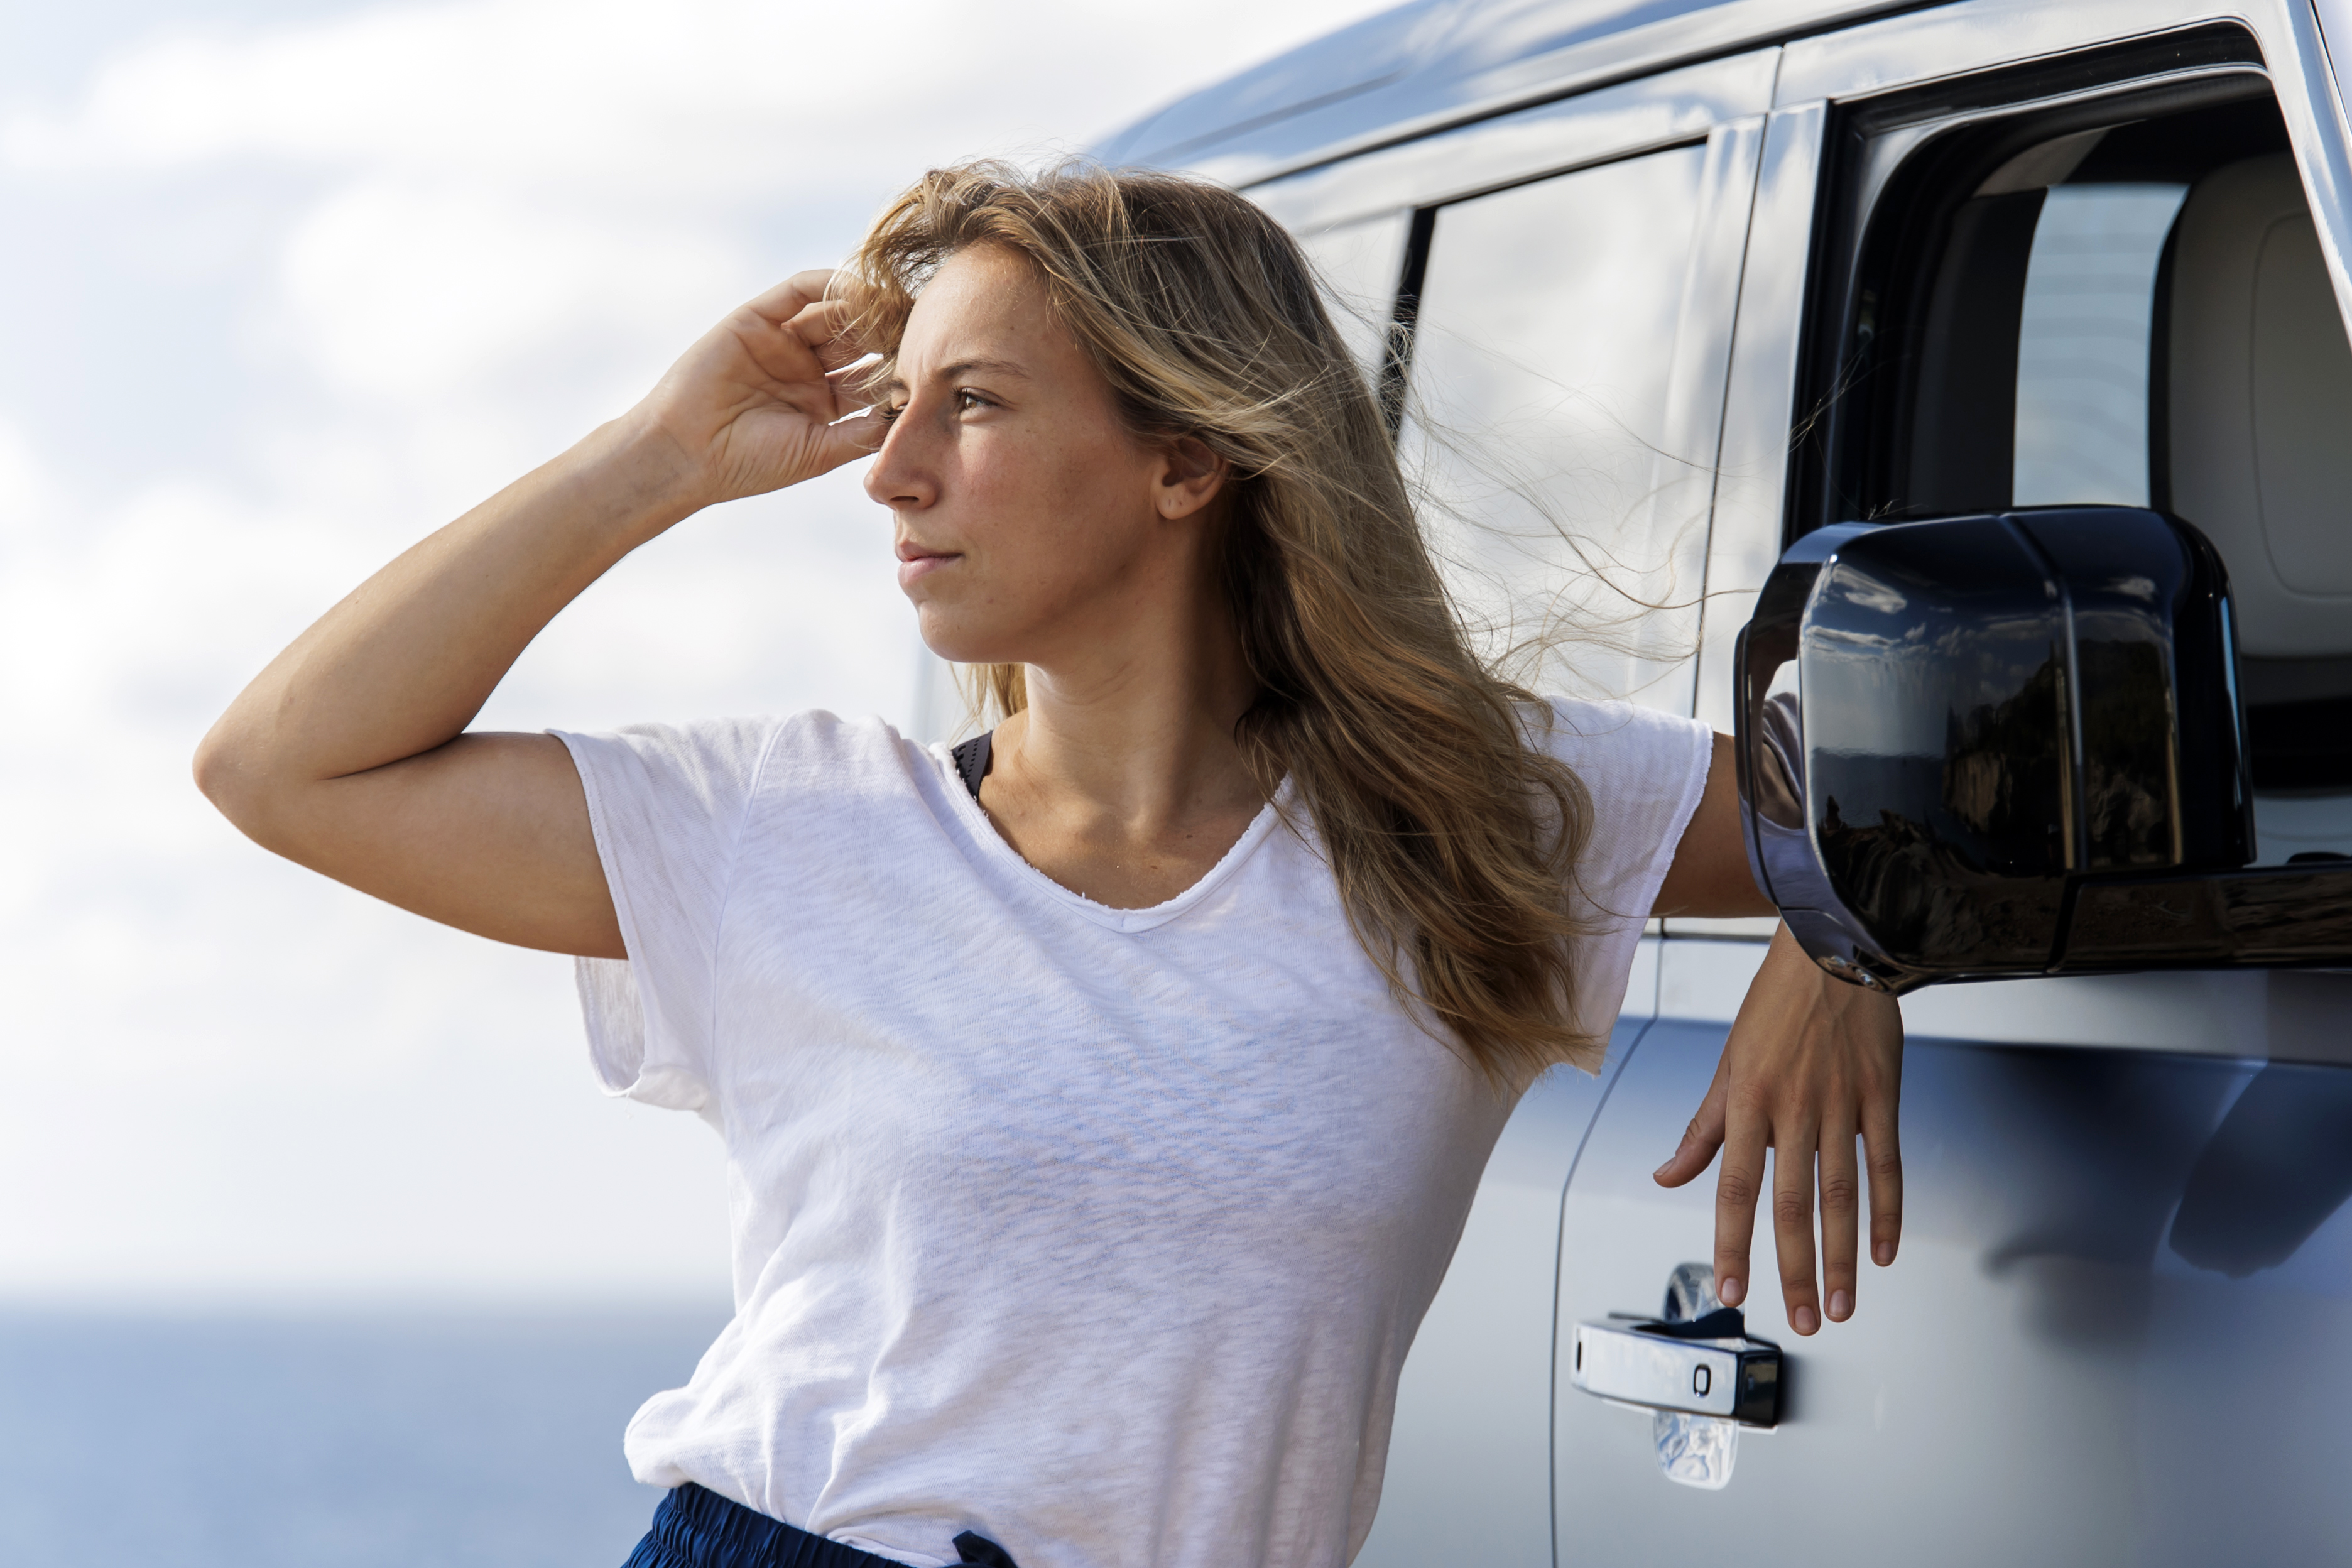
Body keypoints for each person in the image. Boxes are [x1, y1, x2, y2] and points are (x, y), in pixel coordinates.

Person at [194, 161, 1903, 1568]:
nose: (890, 469)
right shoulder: (788, 826)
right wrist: (660, 457)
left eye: (978, 404)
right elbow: (283, 764)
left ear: (1189, 457)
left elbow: (1953, 776)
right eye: (900, 408)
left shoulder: (1473, 814)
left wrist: (1844, 947)